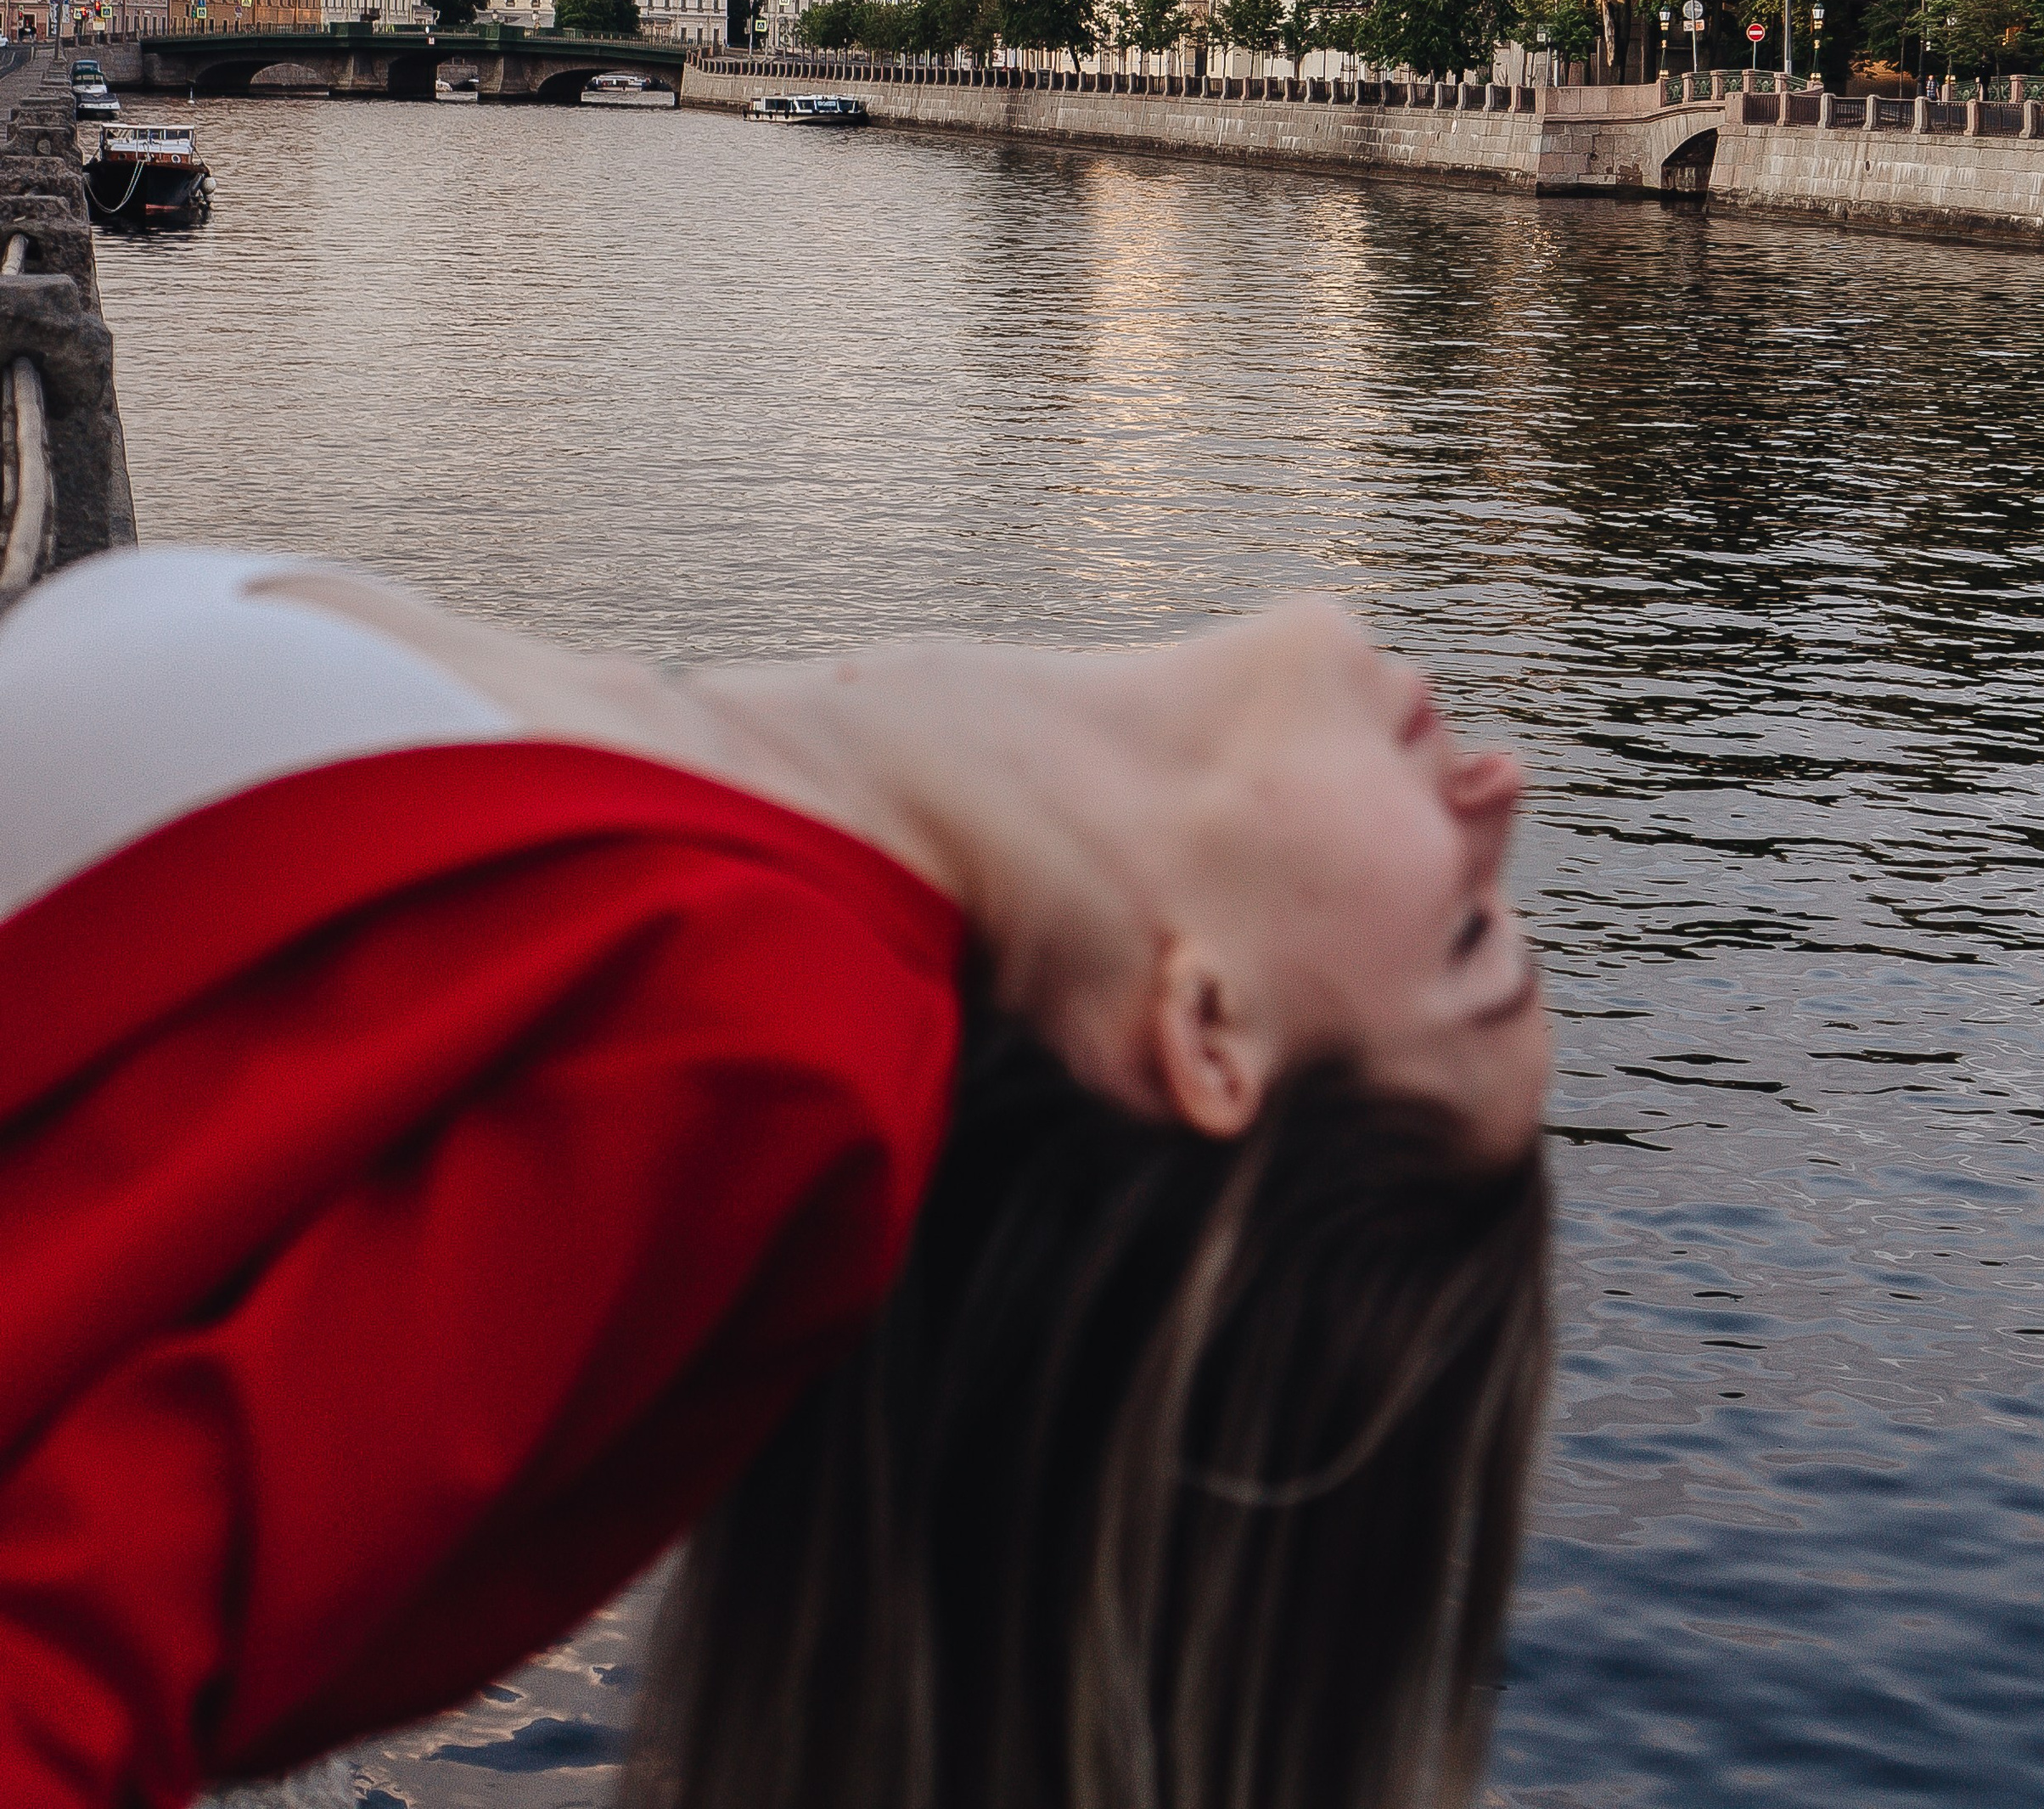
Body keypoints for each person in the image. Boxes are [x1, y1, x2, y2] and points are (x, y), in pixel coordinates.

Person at [0, 547, 1551, 1808]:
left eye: (1470, 937)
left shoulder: (774, 1052)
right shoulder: (745, 856)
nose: (1505, 790)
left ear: (1211, 1032)